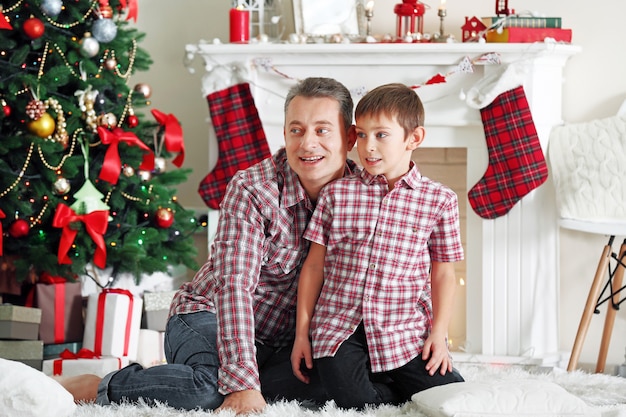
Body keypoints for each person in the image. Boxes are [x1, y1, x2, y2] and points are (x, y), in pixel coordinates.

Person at [57, 77, 364, 415]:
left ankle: (220, 377)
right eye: (296, 130)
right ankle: (101, 385)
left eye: (322, 130)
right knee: (209, 393)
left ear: (349, 138)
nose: (308, 144)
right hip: (208, 315)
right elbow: (235, 288)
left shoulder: (366, 196)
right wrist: (243, 384)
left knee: (340, 385)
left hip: (284, 342)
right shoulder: (252, 189)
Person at [290, 83, 465, 410]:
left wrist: (438, 335)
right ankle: (389, 387)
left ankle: (391, 378)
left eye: (381, 135)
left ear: (414, 138)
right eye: (362, 135)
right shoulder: (337, 195)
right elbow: (313, 267)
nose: (368, 147)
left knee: (453, 396)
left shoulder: (440, 201)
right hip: (339, 328)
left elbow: (442, 274)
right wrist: (302, 334)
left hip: (402, 331)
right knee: (352, 400)